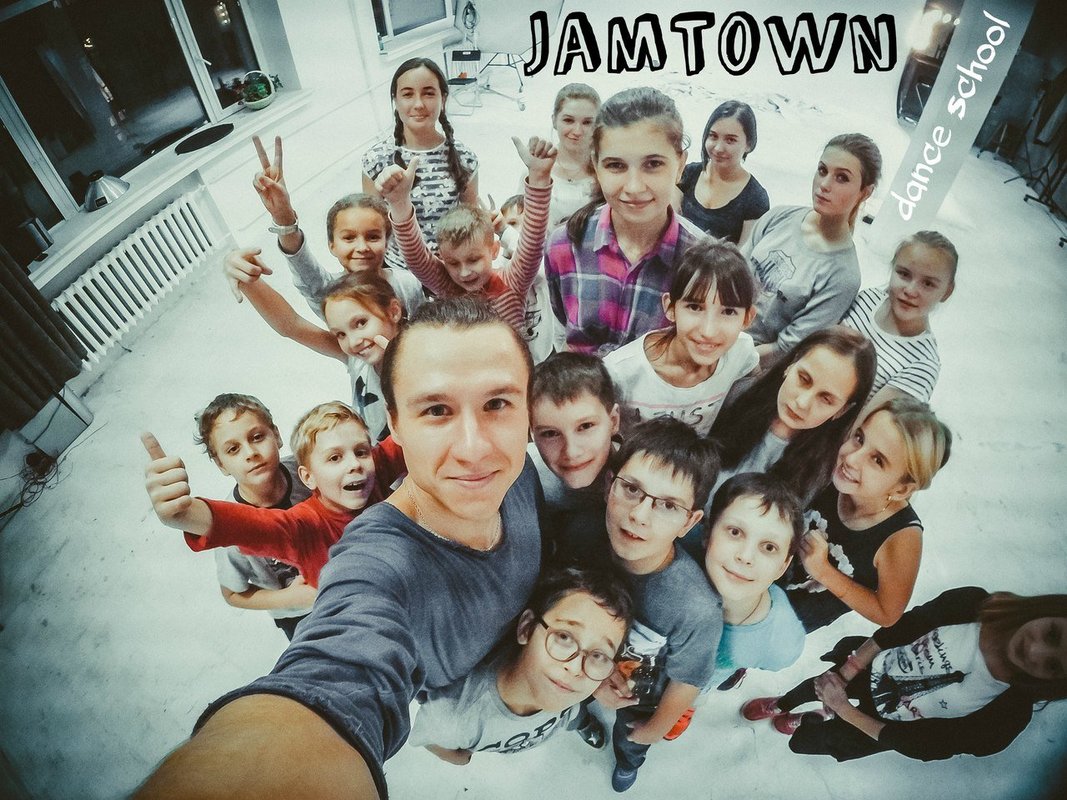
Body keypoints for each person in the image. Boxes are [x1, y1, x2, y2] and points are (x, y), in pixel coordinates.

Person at [134, 298, 542, 800]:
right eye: (436, 410)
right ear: (396, 423)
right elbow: (336, 675)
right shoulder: (351, 546)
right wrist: (196, 514)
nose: (474, 448)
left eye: (497, 403)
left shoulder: (517, 473)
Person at [741, 586, 1067, 760]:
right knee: (814, 686)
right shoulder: (972, 605)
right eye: (1052, 634)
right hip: (871, 668)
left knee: (804, 743)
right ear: (1048, 610)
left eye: (1054, 666)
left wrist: (843, 709)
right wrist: (847, 672)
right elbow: (903, 627)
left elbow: (925, 746)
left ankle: (812, 718)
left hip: (881, 727)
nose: (1035, 652)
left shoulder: (1007, 718)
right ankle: (782, 704)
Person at [576, 417, 722, 793]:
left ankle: (628, 761)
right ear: (609, 485)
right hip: (577, 668)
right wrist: (591, 683)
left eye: (668, 505)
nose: (639, 515)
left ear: (689, 522)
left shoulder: (695, 607)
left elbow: (688, 679)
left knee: (630, 739)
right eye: (631, 489)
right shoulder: (579, 537)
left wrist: (653, 730)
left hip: (640, 697)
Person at [143, 401, 405, 588]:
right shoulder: (302, 526)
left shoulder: (374, 469)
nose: (354, 464)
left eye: (361, 452)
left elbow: (408, 435)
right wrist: (183, 512)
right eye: (335, 457)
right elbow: (250, 526)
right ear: (308, 477)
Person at [408, 566, 631, 763]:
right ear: (527, 628)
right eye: (564, 637)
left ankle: (582, 723)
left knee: (573, 715)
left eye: (599, 655)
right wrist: (462, 758)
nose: (575, 669)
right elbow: (434, 743)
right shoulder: (453, 717)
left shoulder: (566, 685)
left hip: (565, 714)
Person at [545, 87, 705, 355]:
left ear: (680, 165)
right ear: (596, 166)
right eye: (616, 165)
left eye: (653, 164)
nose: (633, 187)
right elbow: (564, 331)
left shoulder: (704, 263)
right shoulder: (564, 246)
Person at [783, 396, 952, 632]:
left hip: (787, 623)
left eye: (877, 460)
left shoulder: (901, 538)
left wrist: (823, 571)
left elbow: (887, 613)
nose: (851, 458)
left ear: (901, 489)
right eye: (859, 438)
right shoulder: (832, 471)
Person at [221, 135, 425, 318]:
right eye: (349, 238)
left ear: (387, 242)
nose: (362, 247)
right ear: (331, 245)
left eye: (373, 237)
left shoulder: (407, 284)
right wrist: (284, 217)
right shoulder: (331, 294)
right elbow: (302, 268)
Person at [375, 135, 555, 334]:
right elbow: (416, 257)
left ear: (494, 250)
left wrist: (539, 178)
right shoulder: (448, 286)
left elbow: (532, 243)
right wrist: (399, 203)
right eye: (453, 263)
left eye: (473, 259)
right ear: (442, 258)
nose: (464, 272)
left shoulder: (512, 281)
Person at [702, 326, 876, 520]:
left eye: (826, 399)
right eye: (804, 379)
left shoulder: (822, 468)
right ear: (792, 364)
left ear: (842, 411)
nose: (802, 402)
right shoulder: (737, 393)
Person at [743, 133, 882, 367]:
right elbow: (729, 275)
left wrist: (730, 361)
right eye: (822, 170)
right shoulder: (779, 216)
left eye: (842, 178)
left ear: (865, 192)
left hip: (749, 364)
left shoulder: (843, 275)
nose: (824, 185)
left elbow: (787, 348)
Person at [603, 237, 758, 437]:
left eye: (728, 311)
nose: (708, 331)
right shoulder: (620, 372)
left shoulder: (742, 351)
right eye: (694, 307)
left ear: (747, 317)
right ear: (670, 307)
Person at [194, 393, 315, 640]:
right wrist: (289, 598)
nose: (250, 453)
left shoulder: (309, 470)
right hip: (301, 618)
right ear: (221, 464)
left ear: (277, 436)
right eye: (233, 449)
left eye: (257, 437)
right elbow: (232, 594)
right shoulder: (230, 525)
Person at [231, 271, 403, 444]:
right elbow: (291, 325)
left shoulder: (417, 359)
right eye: (341, 334)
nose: (353, 342)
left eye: (361, 323)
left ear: (394, 311)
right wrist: (247, 280)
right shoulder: (358, 362)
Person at [362, 57, 478, 270]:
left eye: (428, 93)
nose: (418, 104)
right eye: (407, 94)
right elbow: (370, 228)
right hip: (398, 273)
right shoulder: (375, 159)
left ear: (443, 98)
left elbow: (471, 222)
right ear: (395, 100)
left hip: (450, 272)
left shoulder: (465, 158)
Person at [700, 473, 806, 692]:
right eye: (735, 532)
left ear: (783, 566)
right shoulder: (674, 550)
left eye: (769, 547)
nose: (746, 556)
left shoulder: (781, 643)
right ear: (708, 533)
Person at [842, 230, 958, 415]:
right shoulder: (866, 299)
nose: (910, 290)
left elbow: (867, 426)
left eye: (928, 284)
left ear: (946, 292)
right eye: (904, 274)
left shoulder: (922, 365)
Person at [529, 351, 620, 515]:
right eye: (550, 434)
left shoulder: (644, 475)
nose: (571, 452)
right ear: (532, 434)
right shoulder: (523, 476)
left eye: (585, 426)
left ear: (614, 421)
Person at [673, 100, 769, 244]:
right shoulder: (688, 174)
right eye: (713, 136)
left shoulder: (755, 198)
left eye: (730, 140)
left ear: (749, 144)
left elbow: (744, 254)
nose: (718, 148)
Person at [544, 82, 600, 226]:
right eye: (568, 120)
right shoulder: (538, 168)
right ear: (554, 120)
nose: (577, 131)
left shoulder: (606, 170)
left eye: (587, 122)